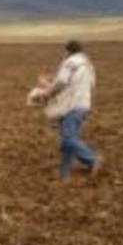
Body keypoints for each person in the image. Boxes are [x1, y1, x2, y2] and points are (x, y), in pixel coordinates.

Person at [34, 40, 101, 180]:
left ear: (68, 51)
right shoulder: (88, 65)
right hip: (83, 105)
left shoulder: (70, 62)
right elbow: (91, 85)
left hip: (70, 106)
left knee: (69, 138)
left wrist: (47, 93)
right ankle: (65, 173)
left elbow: (62, 82)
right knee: (68, 140)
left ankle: (92, 159)